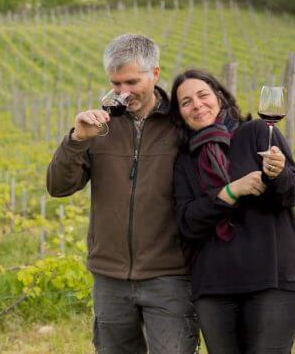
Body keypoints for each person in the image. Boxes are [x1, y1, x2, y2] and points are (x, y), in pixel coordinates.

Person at [46, 34, 198, 354]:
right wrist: (77, 139)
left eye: (131, 81)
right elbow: (58, 187)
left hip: (170, 275)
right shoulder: (98, 127)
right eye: (115, 84)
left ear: (154, 74)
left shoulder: (181, 124)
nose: (123, 92)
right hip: (110, 276)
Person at [170, 69, 295, 354]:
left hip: (274, 278)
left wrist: (277, 174)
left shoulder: (257, 132)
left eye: (202, 95)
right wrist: (232, 191)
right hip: (214, 286)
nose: (196, 105)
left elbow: (292, 192)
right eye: (185, 102)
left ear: (219, 97)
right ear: (180, 113)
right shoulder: (185, 159)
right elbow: (188, 222)